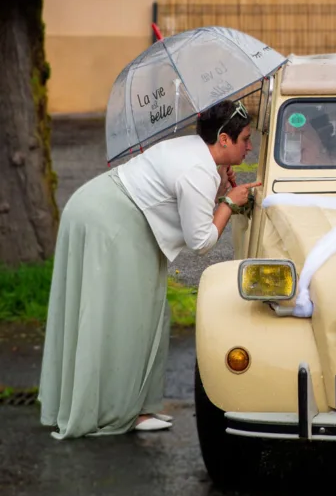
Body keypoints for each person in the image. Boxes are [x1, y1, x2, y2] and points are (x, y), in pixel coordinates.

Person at [38, 100, 260, 440]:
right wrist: (230, 203)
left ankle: (136, 409)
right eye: (245, 138)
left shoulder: (196, 153)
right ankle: (114, 412)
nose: (250, 146)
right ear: (224, 139)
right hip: (110, 221)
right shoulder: (198, 170)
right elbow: (200, 240)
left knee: (148, 312)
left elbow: (187, 204)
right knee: (122, 316)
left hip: (112, 212)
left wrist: (221, 189)